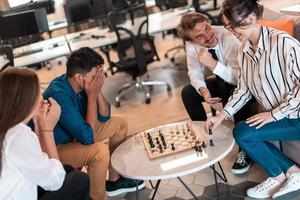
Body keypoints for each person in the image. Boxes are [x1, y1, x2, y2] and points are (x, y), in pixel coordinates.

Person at [205, 0, 300, 198]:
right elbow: (244, 89)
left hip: (295, 116)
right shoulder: (243, 50)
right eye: (227, 26)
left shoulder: (284, 43)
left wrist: (273, 115)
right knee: (242, 131)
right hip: (281, 116)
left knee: (243, 132)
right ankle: (290, 173)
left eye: (233, 25)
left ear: (251, 18)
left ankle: (280, 175)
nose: (230, 31)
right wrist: (221, 116)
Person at [43, 47, 144, 200]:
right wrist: (91, 95)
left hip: (76, 135)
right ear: (79, 77)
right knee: (99, 152)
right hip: (54, 150)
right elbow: (87, 137)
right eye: (94, 76)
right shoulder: (58, 94)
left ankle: (114, 181)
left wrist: (97, 91)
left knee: (120, 123)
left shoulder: (84, 84)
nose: (98, 79)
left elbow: (104, 117)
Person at [177, 12, 256, 174]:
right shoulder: (191, 45)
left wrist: (212, 64)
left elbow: (239, 78)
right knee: (188, 93)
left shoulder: (228, 36)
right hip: (221, 81)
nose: (207, 35)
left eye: (206, 27)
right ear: (191, 40)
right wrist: (203, 90)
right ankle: (204, 137)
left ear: (207, 21)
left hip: (242, 83)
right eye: (199, 36)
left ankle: (245, 151)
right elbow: (194, 72)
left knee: (234, 91)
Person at [0, 67, 90, 200]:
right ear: (27, 100)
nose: (42, 97)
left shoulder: (9, 128)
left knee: (67, 170)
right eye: (38, 93)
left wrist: (38, 125)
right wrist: (47, 130)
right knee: (79, 180)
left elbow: (40, 161)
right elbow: (56, 182)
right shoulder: (19, 136)